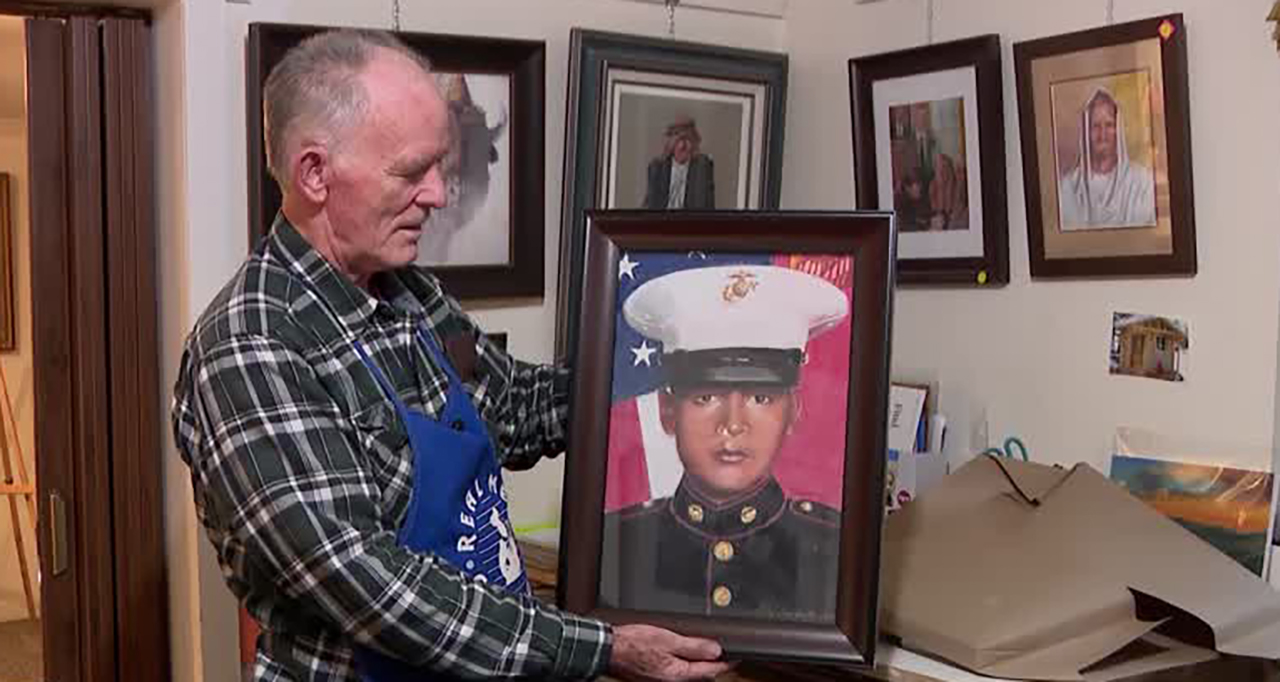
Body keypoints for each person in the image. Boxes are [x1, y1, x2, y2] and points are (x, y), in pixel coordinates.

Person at [170, 29, 731, 682]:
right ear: (314, 173)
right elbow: (370, 586)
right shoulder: (252, 346)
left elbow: (513, 410)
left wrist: (666, 360)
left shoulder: (412, 294)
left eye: (440, 165)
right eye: (411, 171)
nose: (438, 194)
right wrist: (598, 648)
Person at [599, 265, 846, 621]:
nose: (732, 425)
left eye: (761, 398)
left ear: (793, 411)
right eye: (706, 397)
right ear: (668, 411)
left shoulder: (835, 547)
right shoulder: (614, 543)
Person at [1057, 87, 1156, 230]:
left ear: (1119, 130)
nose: (1102, 134)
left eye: (1109, 125)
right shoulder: (1068, 188)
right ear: (1086, 132)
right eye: (1095, 126)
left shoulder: (1141, 183)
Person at [643, 117, 716, 210]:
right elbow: (650, 205)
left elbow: (708, 207)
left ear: (694, 144)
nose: (682, 146)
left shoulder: (703, 166)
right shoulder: (657, 167)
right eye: (678, 141)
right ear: (670, 145)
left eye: (687, 140)